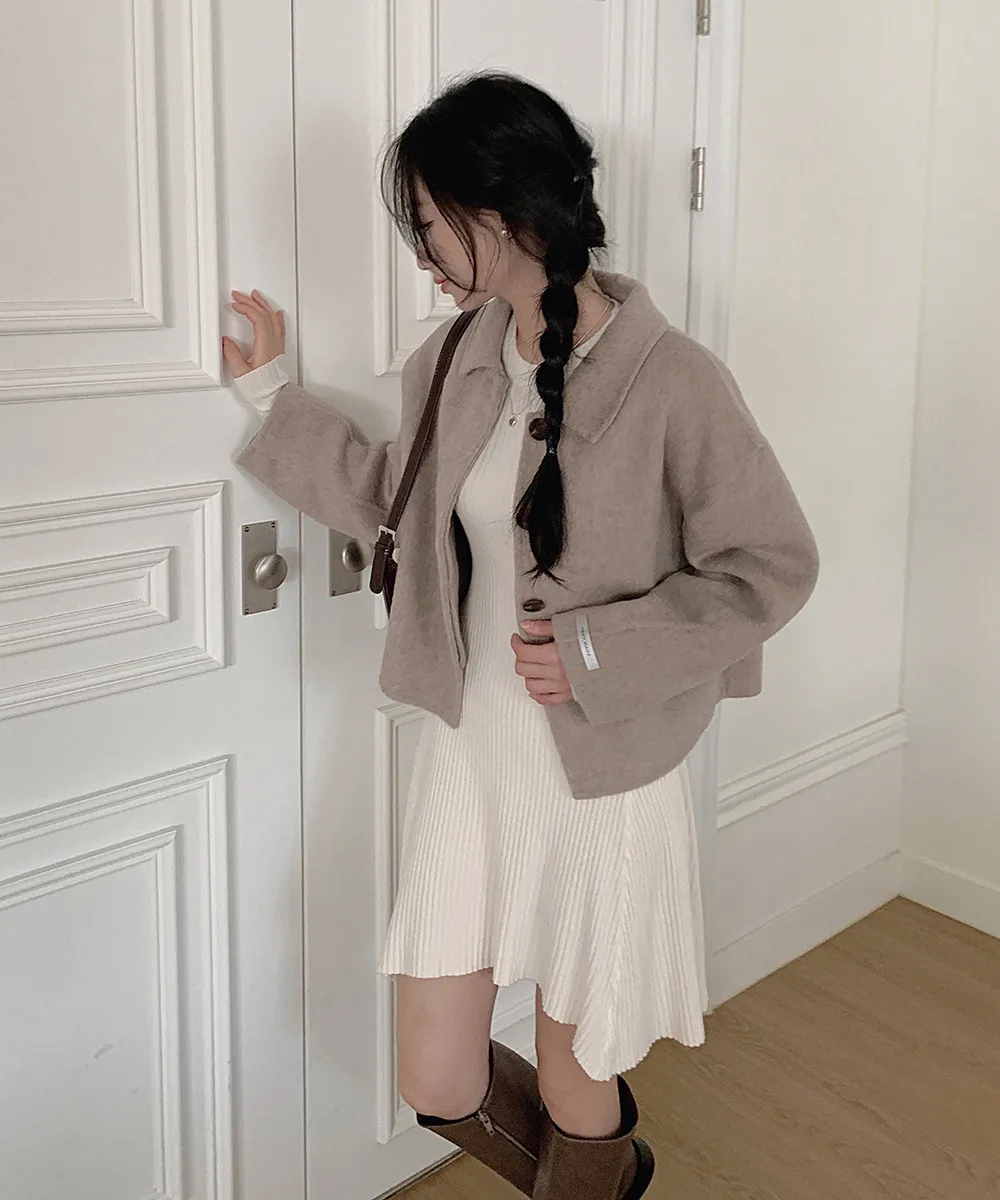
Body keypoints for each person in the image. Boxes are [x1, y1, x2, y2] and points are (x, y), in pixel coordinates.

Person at [223, 71, 819, 1200]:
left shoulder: (675, 380)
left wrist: (599, 651)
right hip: (471, 755)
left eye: (427, 220)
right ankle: (614, 1179)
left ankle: (594, 1170)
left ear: (497, 210)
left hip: (603, 771)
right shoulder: (452, 359)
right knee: (437, 1078)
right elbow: (396, 506)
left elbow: (769, 566)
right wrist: (268, 395)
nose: (419, 251)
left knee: (575, 1078)